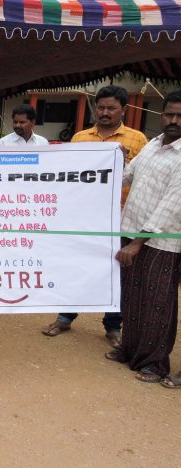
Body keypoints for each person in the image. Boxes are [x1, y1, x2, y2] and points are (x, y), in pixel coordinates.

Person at [41, 85, 148, 346]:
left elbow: (141, 179)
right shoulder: (79, 138)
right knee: (77, 267)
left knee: (116, 272)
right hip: (84, 218)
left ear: (124, 109)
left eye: (111, 108)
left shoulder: (137, 140)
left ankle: (113, 326)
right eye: (100, 107)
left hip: (121, 218)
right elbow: (68, 175)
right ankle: (65, 317)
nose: (105, 112)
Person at [104, 90, 181, 384]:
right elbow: (125, 177)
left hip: (161, 243)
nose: (173, 121)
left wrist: (137, 243)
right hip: (131, 231)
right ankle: (130, 350)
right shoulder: (153, 145)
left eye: (179, 116)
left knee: (157, 303)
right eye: (169, 114)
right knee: (132, 297)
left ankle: (154, 363)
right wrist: (112, 160)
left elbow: (171, 206)